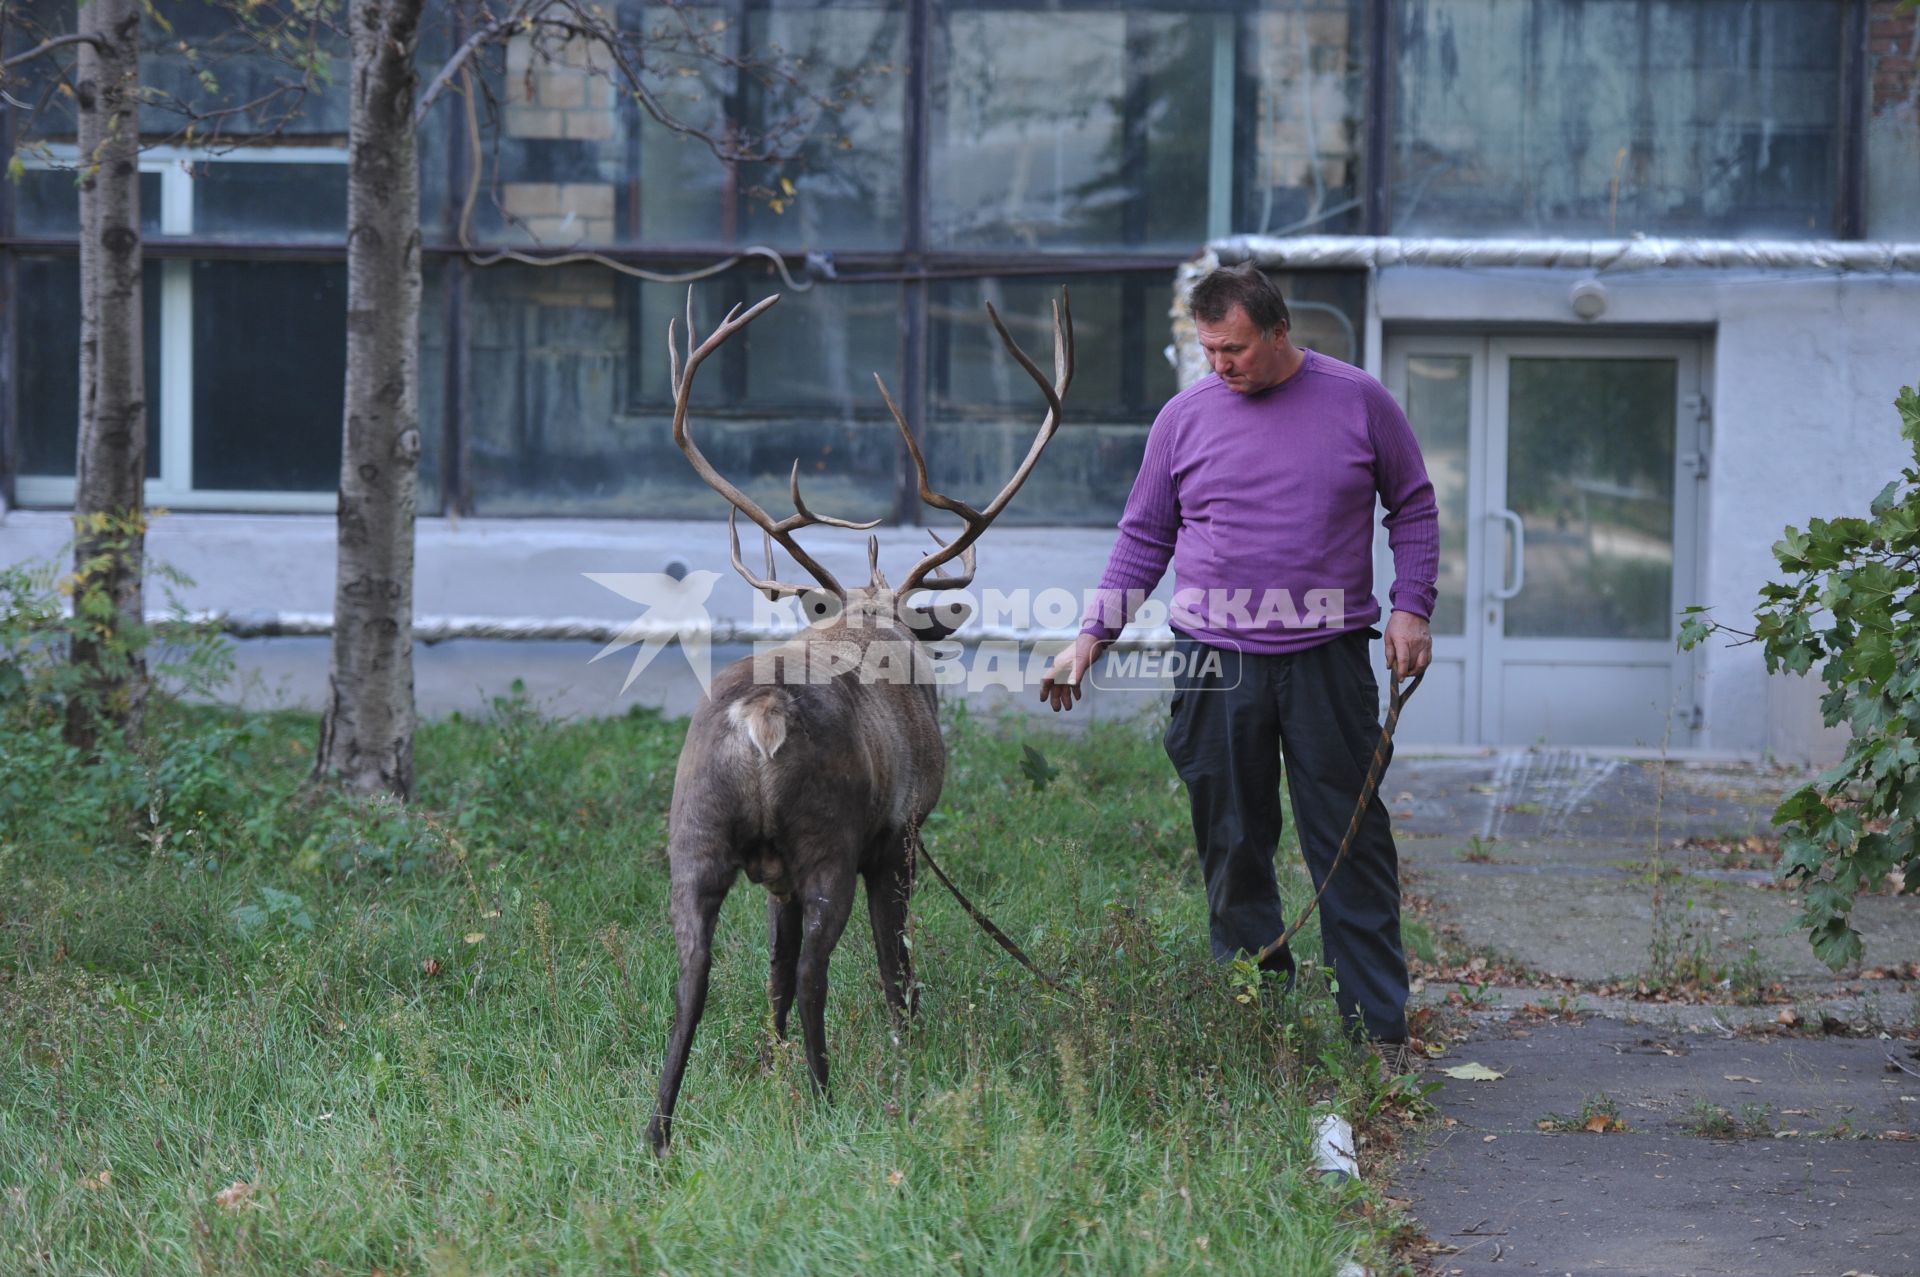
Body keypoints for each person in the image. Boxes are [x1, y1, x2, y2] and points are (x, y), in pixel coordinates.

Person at [1040, 263, 1438, 1054]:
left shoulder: (1358, 400)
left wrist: (1410, 605)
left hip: (1327, 655)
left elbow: (1413, 502)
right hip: (1215, 661)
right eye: (1208, 349)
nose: (1220, 364)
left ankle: (1376, 1033)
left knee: (1351, 841)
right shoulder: (1184, 417)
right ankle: (1254, 1021)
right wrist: (1091, 636)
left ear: (1279, 329)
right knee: (1233, 840)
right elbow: (1144, 536)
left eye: (1234, 348)